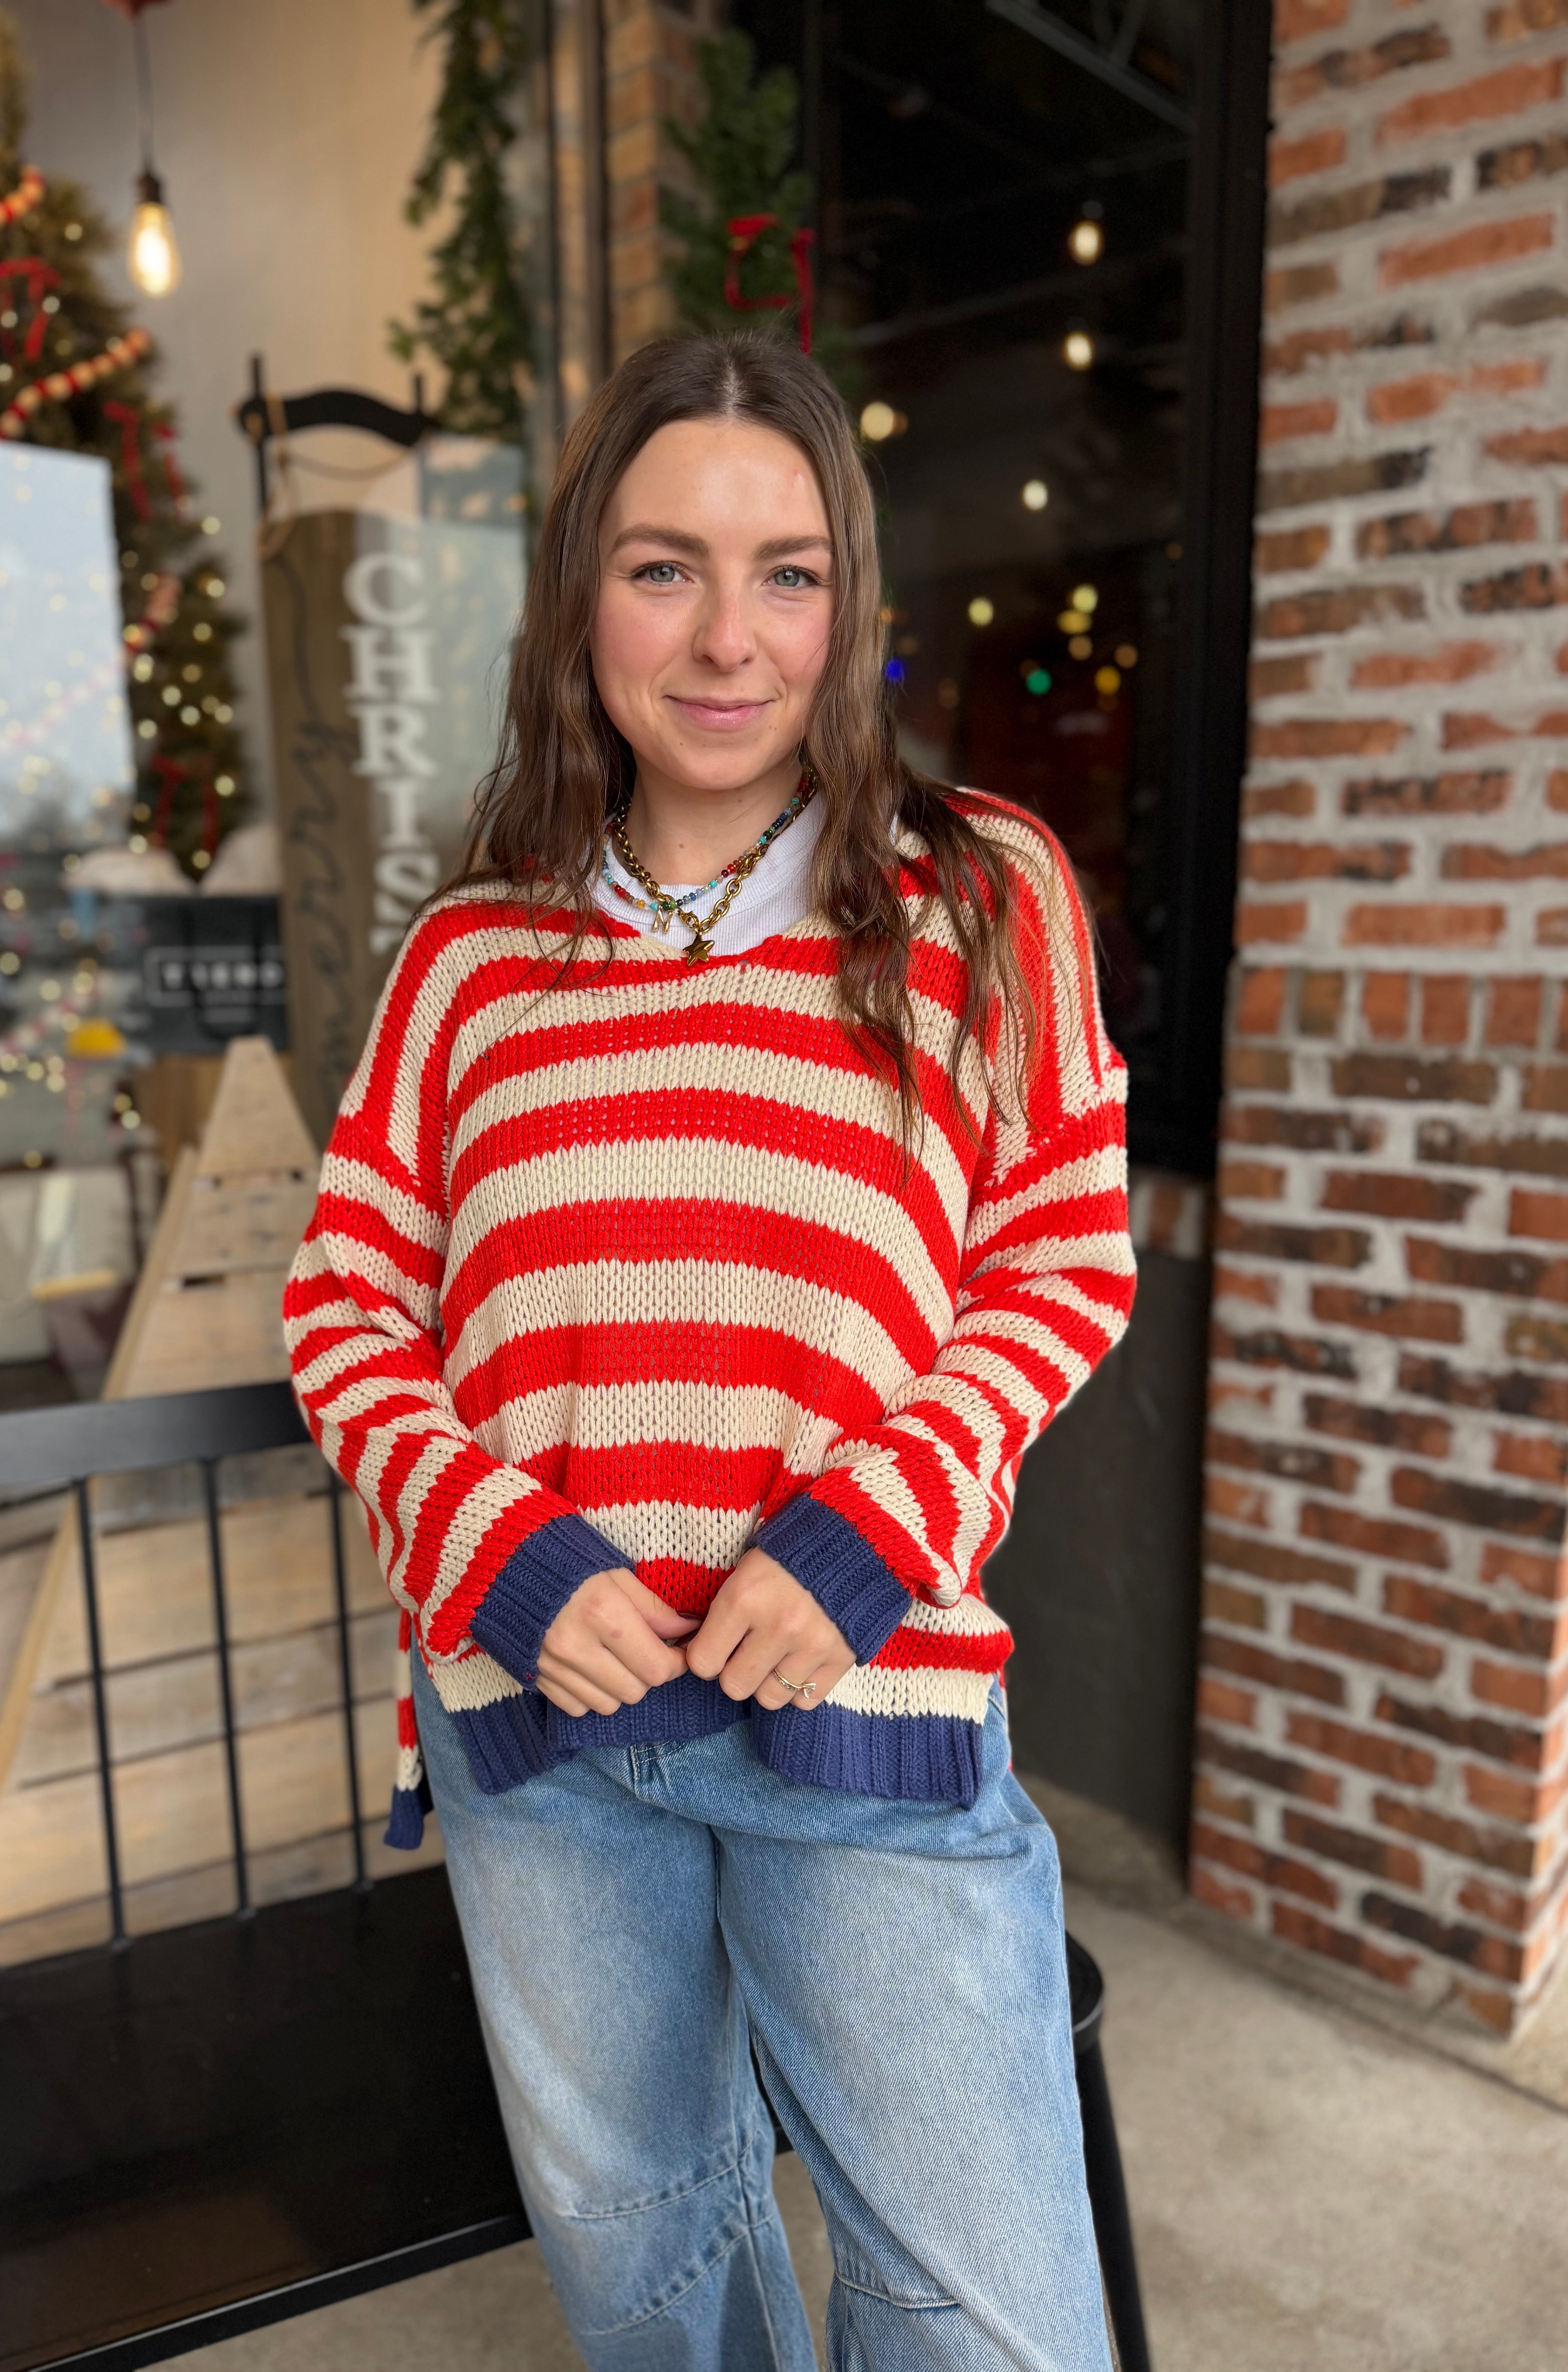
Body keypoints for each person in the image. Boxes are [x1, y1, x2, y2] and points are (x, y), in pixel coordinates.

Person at [285, 331, 1137, 2372]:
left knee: (990, 2325)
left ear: (851, 605)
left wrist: (868, 1532)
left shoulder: (977, 895)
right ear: (583, 596)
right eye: (665, 567)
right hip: (542, 1735)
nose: (729, 638)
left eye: (788, 572)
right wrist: (492, 1550)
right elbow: (344, 1305)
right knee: (656, 2290)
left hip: (862, 1706)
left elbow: (1062, 1256)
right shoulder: (471, 953)